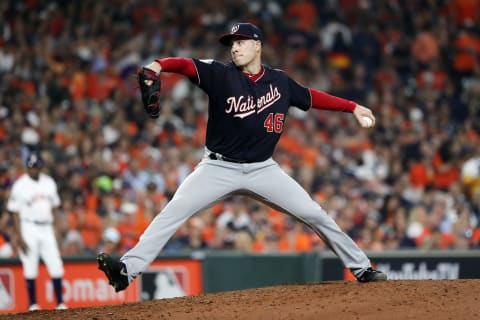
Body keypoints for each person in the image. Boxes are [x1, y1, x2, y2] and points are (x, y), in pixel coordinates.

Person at [97, 22, 387, 292]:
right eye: (231, 43)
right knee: (173, 212)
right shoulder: (220, 74)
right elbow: (186, 65)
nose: (234, 47)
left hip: (263, 170)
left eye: (241, 41)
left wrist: (352, 107)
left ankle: (362, 269)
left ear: (257, 45)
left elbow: (311, 96)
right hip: (216, 167)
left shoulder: (279, 81)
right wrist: (158, 65)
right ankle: (127, 271)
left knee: (314, 214)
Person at [6, 152, 67, 311]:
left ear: (41, 167)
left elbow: (54, 208)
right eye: (32, 167)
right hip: (28, 227)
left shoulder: (49, 182)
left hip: (47, 227)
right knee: (30, 266)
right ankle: (33, 304)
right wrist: (19, 236)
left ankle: (60, 303)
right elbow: (15, 213)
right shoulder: (20, 185)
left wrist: (58, 230)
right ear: (27, 168)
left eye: (37, 167)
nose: (35, 170)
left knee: (56, 264)